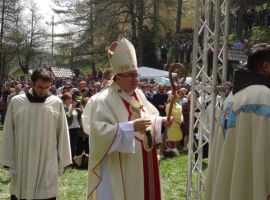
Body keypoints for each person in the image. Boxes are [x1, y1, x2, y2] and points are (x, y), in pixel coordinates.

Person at [205, 43, 270, 200]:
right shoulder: (266, 98)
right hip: (256, 178)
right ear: (266, 67)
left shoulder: (231, 98)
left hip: (231, 178)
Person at [82, 37, 171, 200]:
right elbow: (97, 132)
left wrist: (160, 121)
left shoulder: (138, 94)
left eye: (136, 74)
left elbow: (148, 117)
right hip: (119, 165)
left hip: (144, 159)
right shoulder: (102, 99)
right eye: (130, 75)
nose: (135, 79)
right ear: (117, 76)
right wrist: (130, 128)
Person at [0, 67, 72, 200]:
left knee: (45, 195)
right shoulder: (17, 102)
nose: (43, 91)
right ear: (32, 83)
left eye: (47, 87)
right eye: (39, 87)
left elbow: (62, 132)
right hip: (23, 157)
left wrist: (62, 159)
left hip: (47, 157)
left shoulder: (56, 103)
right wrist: (8, 160)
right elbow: (8, 131)